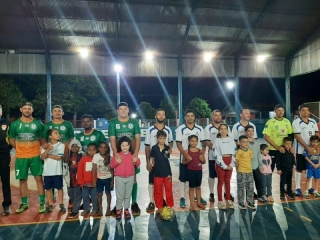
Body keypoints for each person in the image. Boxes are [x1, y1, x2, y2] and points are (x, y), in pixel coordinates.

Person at [9, 102, 46, 213]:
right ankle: (24, 203)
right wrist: (21, 149)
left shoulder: (38, 124)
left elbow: (41, 140)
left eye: (29, 108)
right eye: (25, 108)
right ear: (21, 110)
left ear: (32, 110)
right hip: (21, 157)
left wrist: (34, 149)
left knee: (39, 179)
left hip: (35, 156)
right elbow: (11, 140)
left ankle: (42, 203)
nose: (27, 110)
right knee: (22, 180)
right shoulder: (15, 124)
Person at [108, 102, 141, 215]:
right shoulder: (113, 122)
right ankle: (118, 206)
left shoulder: (134, 122)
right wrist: (116, 154)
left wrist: (135, 154)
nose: (123, 111)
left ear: (128, 110)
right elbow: (112, 139)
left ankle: (134, 203)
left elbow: (137, 139)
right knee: (119, 179)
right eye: (120, 109)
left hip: (131, 154)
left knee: (133, 178)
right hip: (119, 155)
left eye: (125, 109)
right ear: (118, 111)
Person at [175, 109, 206, 208]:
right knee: (183, 179)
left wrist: (202, 154)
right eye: (188, 116)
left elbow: (204, 143)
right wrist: (185, 154)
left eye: (192, 116)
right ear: (185, 117)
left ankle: (198, 197)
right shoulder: (180, 129)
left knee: (197, 180)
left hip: (196, 159)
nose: (190, 117)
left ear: (194, 117)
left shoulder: (200, 129)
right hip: (185, 159)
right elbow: (178, 143)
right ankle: (182, 198)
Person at [145, 109, 173, 212]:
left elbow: (170, 142)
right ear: (155, 116)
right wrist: (148, 162)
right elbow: (147, 147)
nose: (161, 116)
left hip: (164, 163)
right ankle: (152, 202)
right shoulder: (150, 130)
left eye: (163, 114)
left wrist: (167, 151)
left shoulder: (168, 130)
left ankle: (163, 202)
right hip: (154, 162)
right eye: (159, 114)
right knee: (152, 182)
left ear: (165, 117)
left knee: (165, 184)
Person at [204, 109, 232, 202]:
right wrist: (218, 150)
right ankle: (211, 193)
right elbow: (207, 142)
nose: (218, 117)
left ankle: (226, 192)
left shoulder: (226, 128)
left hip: (225, 157)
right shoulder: (208, 128)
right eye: (216, 115)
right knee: (212, 175)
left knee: (224, 176)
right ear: (212, 117)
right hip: (213, 156)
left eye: (219, 115)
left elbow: (229, 140)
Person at [110, 136, 141, 219]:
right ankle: (118, 210)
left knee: (127, 195)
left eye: (126, 145)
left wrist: (136, 160)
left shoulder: (132, 155)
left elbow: (137, 164)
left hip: (130, 177)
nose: (125, 147)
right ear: (120, 146)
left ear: (129, 146)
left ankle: (126, 209)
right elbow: (111, 165)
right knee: (120, 195)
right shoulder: (117, 155)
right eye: (123, 145)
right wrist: (116, 162)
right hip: (119, 178)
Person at [292, 105, 319, 197]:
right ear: (299, 112)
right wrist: (308, 148)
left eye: (307, 110)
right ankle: (298, 188)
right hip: (301, 150)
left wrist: (317, 146)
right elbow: (297, 136)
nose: (305, 112)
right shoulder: (296, 122)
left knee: (310, 168)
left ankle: (310, 187)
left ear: (309, 112)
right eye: (303, 110)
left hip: (313, 150)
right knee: (299, 168)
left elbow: (317, 133)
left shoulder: (313, 121)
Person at [40, 129, 66, 214]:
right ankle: (50, 204)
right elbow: (42, 157)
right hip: (47, 172)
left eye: (58, 133)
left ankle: (61, 204)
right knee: (48, 189)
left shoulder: (61, 145)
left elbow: (59, 157)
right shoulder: (45, 146)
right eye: (56, 133)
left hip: (57, 171)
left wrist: (48, 155)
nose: (58, 134)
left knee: (59, 188)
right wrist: (48, 150)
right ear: (50, 136)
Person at [263, 104, 293, 172]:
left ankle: (284, 183)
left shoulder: (287, 121)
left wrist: (291, 146)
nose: (281, 112)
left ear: (284, 111)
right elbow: (266, 136)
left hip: (284, 150)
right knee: (270, 169)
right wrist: (277, 147)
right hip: (273, 150)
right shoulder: (270, 122)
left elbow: (290, 135)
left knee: (284, 170)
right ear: (275, 111)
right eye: (279, 110)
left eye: (282, 110)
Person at [150, 130, 174, 213]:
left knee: (169, 190)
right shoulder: (154, 148)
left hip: (167, 172)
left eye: (164, 138)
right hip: (157, 172)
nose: (162, 140)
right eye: (160, 138)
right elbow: (153, 160)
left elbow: (167, 157)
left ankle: (170, 206)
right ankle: (159, 206)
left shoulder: (167, 148)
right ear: (157, 139)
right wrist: (153, 168)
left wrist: (170, 151)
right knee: (157, 190)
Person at [214, 123, 237, 209]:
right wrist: (224, 165)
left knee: (228, 181)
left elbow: (234, 153)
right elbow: (216, 155)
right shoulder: (217, 141)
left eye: (225, 129)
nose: (223, 131)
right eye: (221, 129)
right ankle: (220, 201)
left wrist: (231, 164)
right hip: (221, 163)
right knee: (220, 181)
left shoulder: (231, 140)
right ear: (219, 131)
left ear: (228, 130)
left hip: (229, 162)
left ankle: (228, 199)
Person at [182, 135, 206, 211]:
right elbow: (183, 162)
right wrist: (188, 160)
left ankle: (198, 202)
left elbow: (204, 161)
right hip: (191, 171)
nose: (194, 142)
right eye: (192, 141)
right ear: (189, 142)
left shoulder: (199, 151)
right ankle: (192, 204)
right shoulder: (187, 151)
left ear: (197, 142)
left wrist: (202, 159)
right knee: (191, 188)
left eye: (195, 141)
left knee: (198, 187)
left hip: (199, 171)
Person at [245, 125, 267, 203]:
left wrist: (260, 165)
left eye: (252, 131)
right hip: (248, 167)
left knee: (259, 182)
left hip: (256, 166)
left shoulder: (257, 142)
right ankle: (249, 197)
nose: (251, 132)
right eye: (249, 131)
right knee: (249, 183)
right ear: (246, 132)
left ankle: (260, 196)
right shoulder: (244, 143)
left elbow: (258, 155)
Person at [92, 141, 114, 216]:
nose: (103, 149)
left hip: (108, 178)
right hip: (99, 179)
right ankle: (100, 209)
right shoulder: (96, 156)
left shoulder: (110, 157)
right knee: (99, 194)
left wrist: (112, 180)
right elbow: (94, 169)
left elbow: (112, 170)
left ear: (107, 148)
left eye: (105, 148)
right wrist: (93, 180)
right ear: (98, 148)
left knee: (108, 193)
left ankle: (108, 208)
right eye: (101, 147)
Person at [77, 143, 99, 216]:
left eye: (93, 150)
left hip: (94, 184)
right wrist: (81, 182)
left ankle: (95, 209)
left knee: (94, 197)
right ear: (87, 150)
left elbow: (99, 171)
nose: (91, 151)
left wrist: (96, 181)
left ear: (96, 150)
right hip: (85, 184)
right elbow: (79, 171)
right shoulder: (83, 159)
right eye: (89, 150)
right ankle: (86, 209)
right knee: (85, 197)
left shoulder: (98, 159)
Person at [236, 135, 256, 210]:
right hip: (241, 172)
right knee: (241, 188)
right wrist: (238, 171)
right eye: (243, 142)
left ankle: (250, 201)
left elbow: (250, 159)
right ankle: (241, 202)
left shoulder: (250, 151)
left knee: (250, 187)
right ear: (240, 143)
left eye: (247, 142)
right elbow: (237, 162)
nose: (246, 143)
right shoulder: (239, 152)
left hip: (249, 172)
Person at [0, 104, 12, 215]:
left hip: (3, 155)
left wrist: (8, 149)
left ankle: (7, 205)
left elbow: (12, 139)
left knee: (5, 181)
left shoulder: (7, 123)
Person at [67, 139, 83, 218]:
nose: (74, 148)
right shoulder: (67, 156)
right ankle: (75, 205)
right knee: (71, 194)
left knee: (77, 195)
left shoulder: (82, 155)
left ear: (79, 147)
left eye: (76, 146)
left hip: (78, 179)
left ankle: (75, 210)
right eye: (72, 146)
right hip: (69, 179)